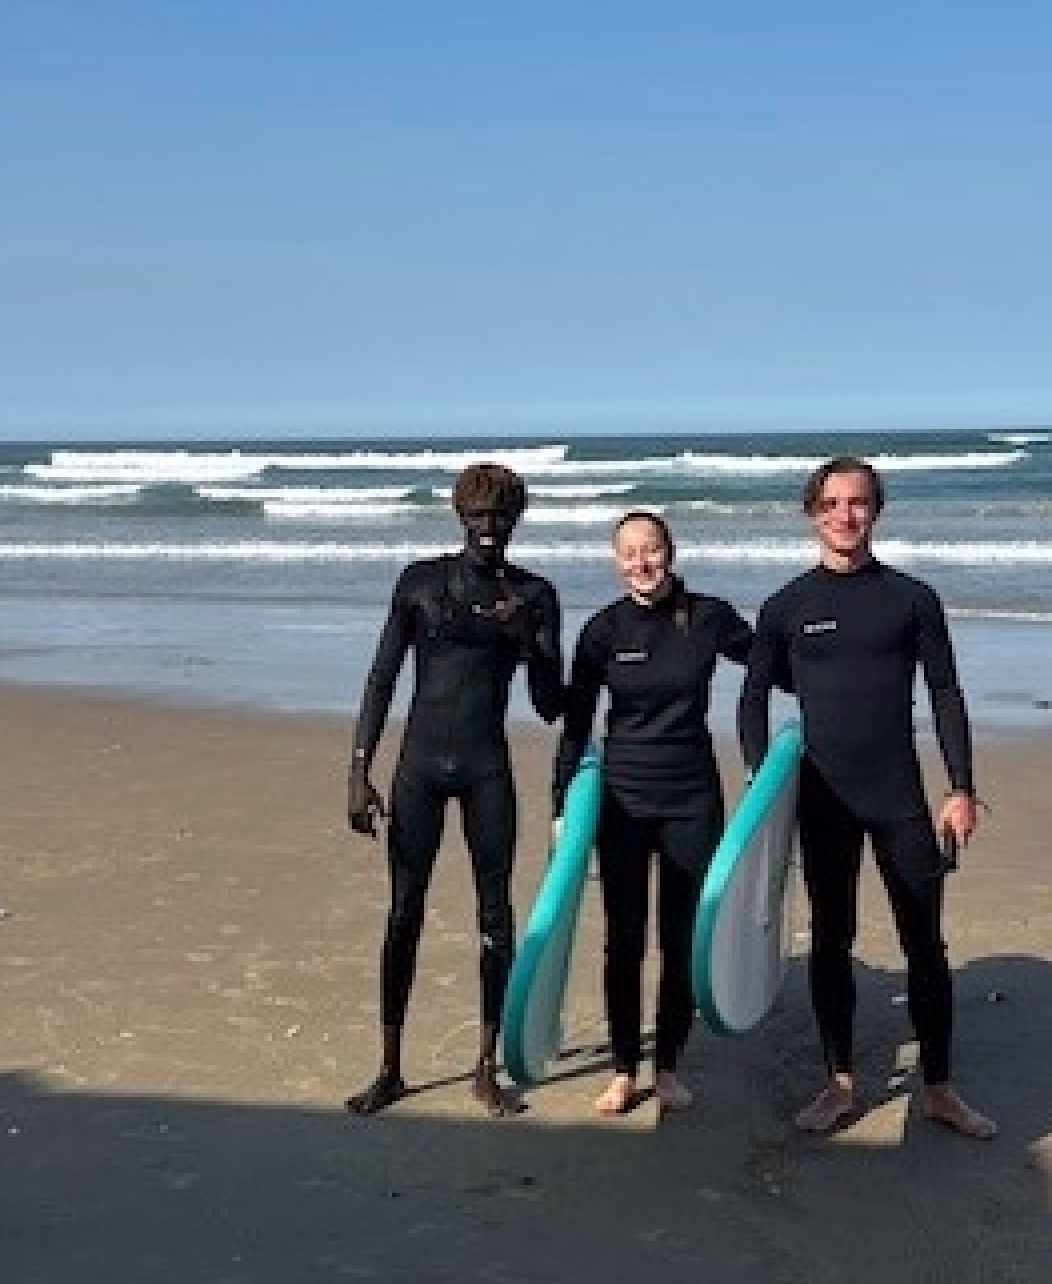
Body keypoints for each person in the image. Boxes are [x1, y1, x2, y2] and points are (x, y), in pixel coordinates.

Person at [737, 455, 996, 1141]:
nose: (844, 516)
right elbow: (753, 695)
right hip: (823, 800)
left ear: (875, 511)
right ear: (811, 513)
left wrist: (961, 786)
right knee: (831, 937)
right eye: (831, 504)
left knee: (925, 943)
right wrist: (760, 784)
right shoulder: (785, 607)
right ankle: (840, 1083)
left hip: (898, 796)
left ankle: (939, 1088)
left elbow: (945, 691)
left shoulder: (911, 598)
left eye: (857, 503)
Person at [345, 461, 564, 1116]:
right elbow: (382, 678)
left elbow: (551, 704)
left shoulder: (535, 595)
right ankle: (389, 1068)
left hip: (484, 770)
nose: (489, 528)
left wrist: (526, 635)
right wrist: (359, 771)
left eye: (501, 516)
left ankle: (485, 1067)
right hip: (417, 767)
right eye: (478, 515)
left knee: (495, 918)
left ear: (517, 520)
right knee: (403, 913)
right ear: (459, 516)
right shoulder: (422, 582)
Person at [554, 510, 751, 1115]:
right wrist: (564, 800)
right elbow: (578, 721)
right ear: (616, 562)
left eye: (653, 549)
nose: (643, 562)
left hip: (692, 796)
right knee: (624, 938)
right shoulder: (601, 632)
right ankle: (621, 1068)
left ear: (671, 551)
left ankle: (666, 1066)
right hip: (623, 799)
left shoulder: (709, 617)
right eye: (630, 552)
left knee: (681, 936)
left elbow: (774, 666)